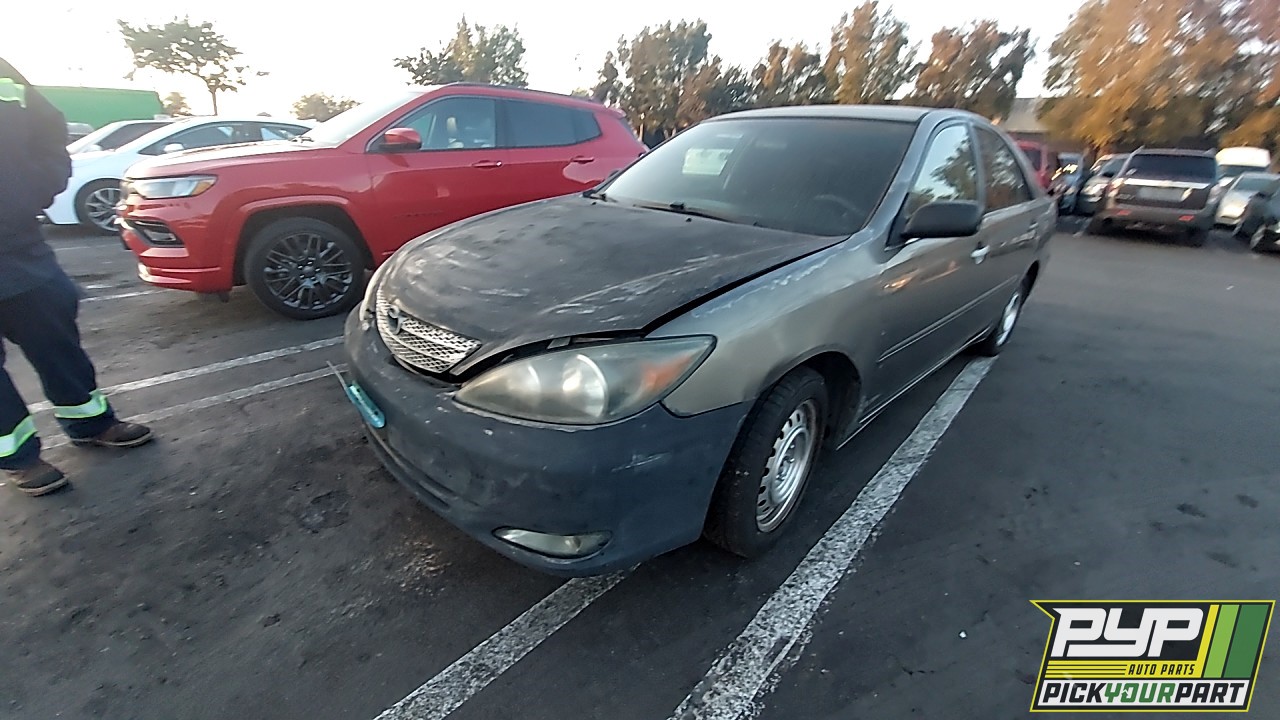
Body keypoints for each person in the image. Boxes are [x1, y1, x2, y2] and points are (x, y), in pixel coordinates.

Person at [0, 57, 152, 496]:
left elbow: (46, 125)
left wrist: (32, 185)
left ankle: (90, 423)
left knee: (56, 340)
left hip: (16, 246)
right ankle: (18, 457)